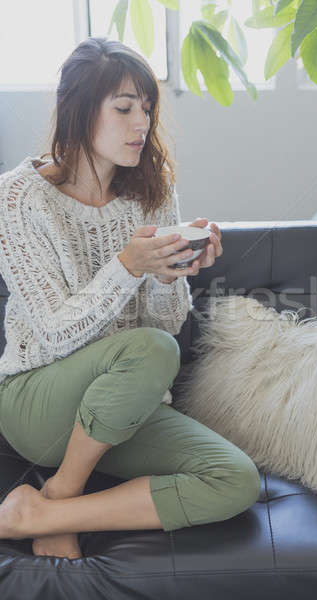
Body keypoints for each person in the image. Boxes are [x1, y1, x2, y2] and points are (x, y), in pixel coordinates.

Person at [0, 37, 260, 560]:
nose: (141, 123)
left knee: (237, 480)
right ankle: (65, 489)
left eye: (147, 108)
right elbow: (52, 331)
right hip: (37, 401)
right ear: (77, 109)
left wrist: (169, 276)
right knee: (150, 352)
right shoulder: (18, 196)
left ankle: (49, 509)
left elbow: (162, 330)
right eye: (123, 108)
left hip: (120, 409)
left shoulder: (153, 192)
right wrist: (127, 268)